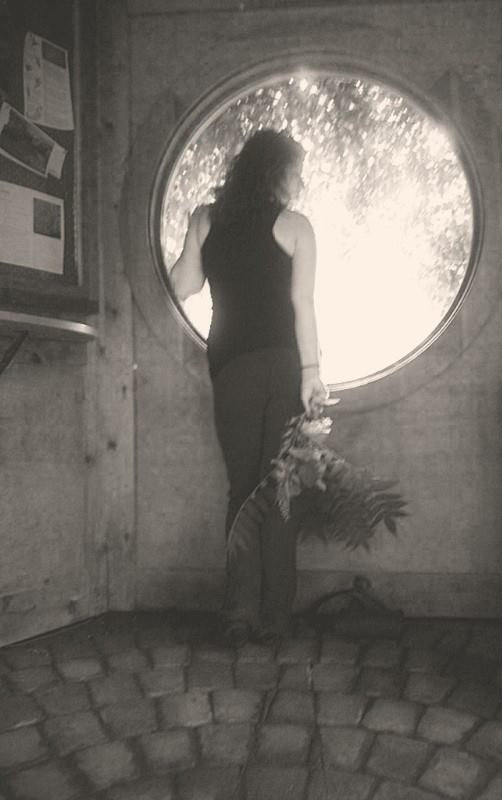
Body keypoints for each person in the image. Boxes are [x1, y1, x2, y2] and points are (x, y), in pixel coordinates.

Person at [170, 129, 328, 646]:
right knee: (279, 488)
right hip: (285, 366)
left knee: (242, 489)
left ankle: (238, 614)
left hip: (231, 364)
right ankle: (276, 618)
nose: (299, 182)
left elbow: (183, 285)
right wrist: (312, 373)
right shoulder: (296, 226)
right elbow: (303, 305)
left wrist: (194, 239)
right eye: (296, 171)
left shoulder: (205, 219)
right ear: (275, 172)